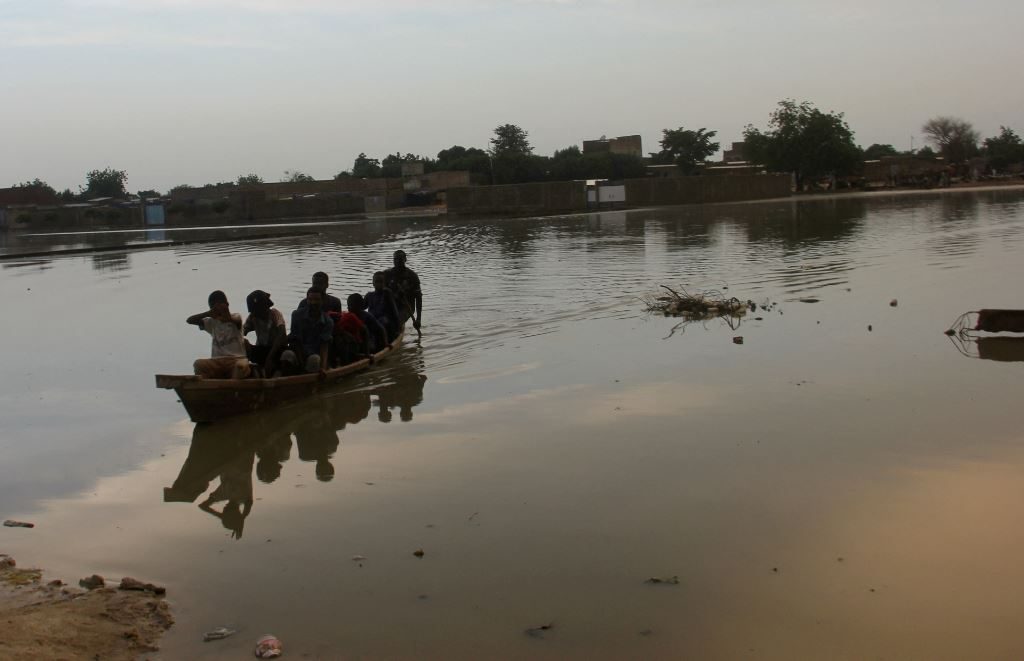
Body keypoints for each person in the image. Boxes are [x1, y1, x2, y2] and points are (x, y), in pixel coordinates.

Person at [187, 290, 251, 379]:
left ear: (227, 304)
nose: (218, 310)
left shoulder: (236, 316)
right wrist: (208, 313)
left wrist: (226, 317)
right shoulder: (211, 322)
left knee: (241, 366)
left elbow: (235, 320)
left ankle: (233, 387)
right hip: (217, 362)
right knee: (198, 364)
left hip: (235, 360)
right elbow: (189, 320)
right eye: (214, 307)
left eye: (220, 305)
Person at [281, 287, 332, 375]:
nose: (313, 303)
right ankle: (285, 377)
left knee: (314, 359)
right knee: (287, 354)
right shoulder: (296, 315)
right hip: (297, 352)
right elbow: (295, 339)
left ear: (322, 301)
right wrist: (301, 361)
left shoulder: (328, 321)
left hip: (314, 354)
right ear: (307, 300)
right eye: (310, 299)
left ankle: (310, 383)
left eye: (317, 300)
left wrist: (323, 368)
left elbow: (324, 346)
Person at [242, 290, 286, 377]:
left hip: (276, 350)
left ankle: (276, 371)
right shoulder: (252, 317)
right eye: (254, 311)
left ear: (265, 307)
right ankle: (247, 370)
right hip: (261, 349)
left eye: (258, 311)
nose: (255, 314)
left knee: (285, 355)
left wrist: (270, 357)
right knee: (243, 342)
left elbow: (281, 334)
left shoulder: (274, 314)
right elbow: (242, 331)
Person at [383, 250, 422, 331]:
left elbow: (418, 299)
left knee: (396, 322)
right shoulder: (386, 274)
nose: (397, 262)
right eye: (395, 259)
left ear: (405, 260)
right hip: (390, 305)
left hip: (407, 307)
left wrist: (418, 319)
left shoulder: (412, 276)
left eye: (400, 259)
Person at [365, 271, 401, 341]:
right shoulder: (369, 295)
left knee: (383, 322)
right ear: (373, 283)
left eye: (381, 282)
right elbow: (361, 308)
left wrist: (397, 329)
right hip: (373, 321)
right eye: (376, 281)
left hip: (385, 323)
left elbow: (395, 312)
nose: (379, 284)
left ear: (384, 283)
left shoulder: (387, 294)